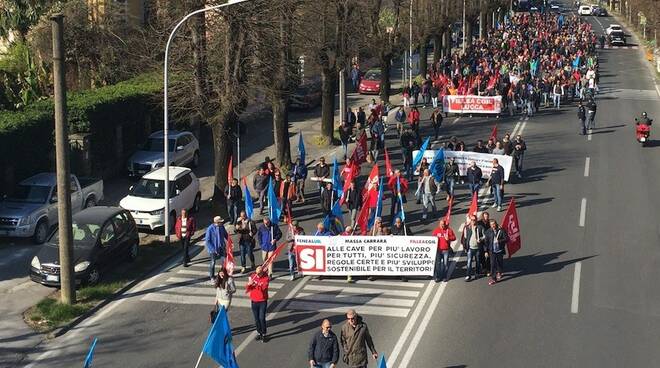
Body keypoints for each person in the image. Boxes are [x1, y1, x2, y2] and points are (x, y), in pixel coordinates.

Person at [247, 265, 270, 342]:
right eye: (257, 270)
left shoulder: (266, 277)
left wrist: (255, 284)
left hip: (262, 301)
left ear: (263, 271)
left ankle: (264, 334)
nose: (258, 272)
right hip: (254, 300)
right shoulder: (253, 276)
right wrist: (249, 284)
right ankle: (259, 332)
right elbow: (248, 289)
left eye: (260, 270)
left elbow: (264, 287)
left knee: (261, 318)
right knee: (256, 319)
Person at [484, 219, 508, 285]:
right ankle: (493, 278)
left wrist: (499, 241)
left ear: (496, 224)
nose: (493, 226)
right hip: (492, 251)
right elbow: (486, 242)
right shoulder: (488, 232)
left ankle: (500, 272)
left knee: (500, 262)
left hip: (499, 250)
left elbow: (506, 239)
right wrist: (486, 251)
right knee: (493, 264)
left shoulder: (501, 230)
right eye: (491, 224)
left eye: (494, 224)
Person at [461, 215, 484, 281]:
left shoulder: (480, 227)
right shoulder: (467, 228)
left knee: (478, 261)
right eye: (472, 220)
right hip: (470, 248)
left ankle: (477, 273)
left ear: (476, 220)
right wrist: (465, 247)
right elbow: (465, 238)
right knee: (469, 262)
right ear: (470, 220)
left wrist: (481, 239)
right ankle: (468, 275)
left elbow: (484, 236)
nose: (473, 221)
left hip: (477, 248)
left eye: (474, 220)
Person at [205, 216, 228, 281]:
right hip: (213, 249)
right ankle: (212, 276)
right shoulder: (210, 229)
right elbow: (208, 241)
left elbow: (225, 235)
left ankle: (223, 273)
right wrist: (213, 249)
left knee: (224, 261)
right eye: (220, 222)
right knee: (213, 262)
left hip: (221, 247)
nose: (222, 223)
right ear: (216, 222)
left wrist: (229, 241)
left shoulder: (222, 227)